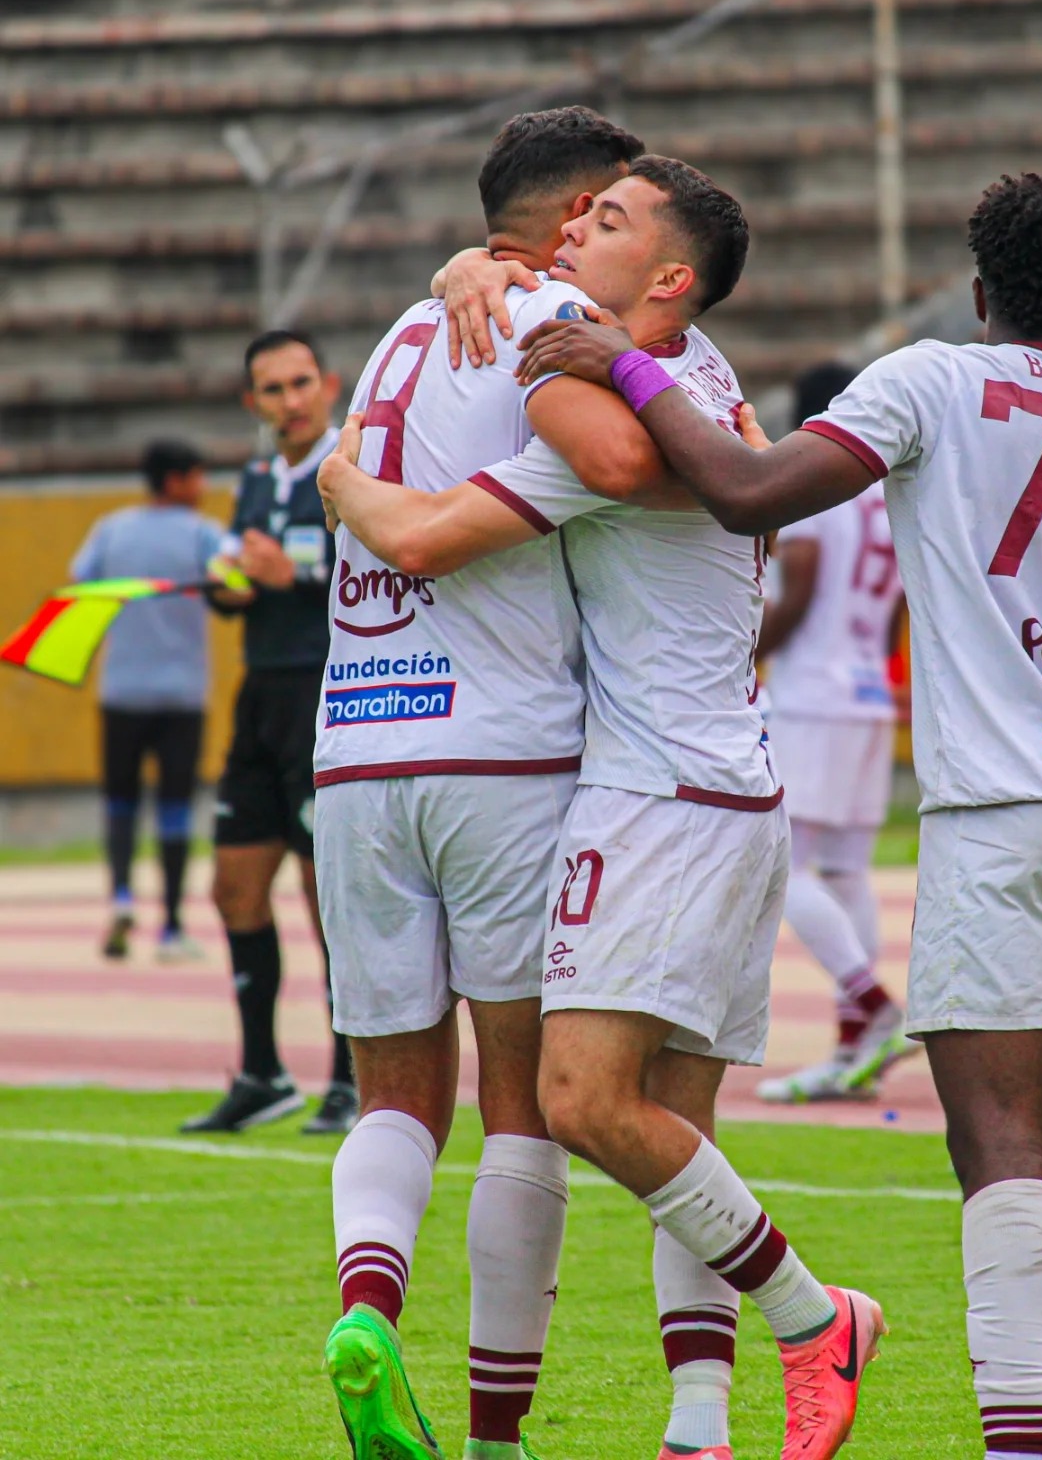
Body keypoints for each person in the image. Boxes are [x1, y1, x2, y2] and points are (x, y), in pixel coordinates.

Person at [513, 172, 1042, 1460]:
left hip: (1001, 813)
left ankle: (1023, 1444)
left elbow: (747, 491)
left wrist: (629, 364)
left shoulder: (930, 378)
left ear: (982, 291)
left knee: (1002, 1139)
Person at [320, 157, 885, 1460]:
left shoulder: (616, 398)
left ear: (668, 278)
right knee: (672, 1131)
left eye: (610, 220)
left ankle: (818, 1318)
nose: (579, 233)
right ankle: (700, 1431)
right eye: (575, 214)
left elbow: (429, 534)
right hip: (719, 780)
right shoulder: (699, 375)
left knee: (576, 1104)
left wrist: (344, 486)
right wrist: (492, 281)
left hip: (660, 792)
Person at [313, 105, 662, 1460]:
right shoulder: (554, 318)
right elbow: (624, 458)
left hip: (359, 752)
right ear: (573, 213)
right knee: (521, 1104)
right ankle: (499, 1439)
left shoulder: (408, 326)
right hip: (501, 753)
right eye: (614, 205)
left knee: (396, 1092)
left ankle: (365, 1306)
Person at [181, 331, 357, 1137]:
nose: (289, 400)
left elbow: (389, 565)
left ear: (326, 384)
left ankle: (352, 1078)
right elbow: (229, 588)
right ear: (252, 402)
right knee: (234, 889)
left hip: (327, 696)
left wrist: (300, 578)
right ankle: (261, 1073)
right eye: (271, 390)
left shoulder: (352, 464)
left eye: (299, 383)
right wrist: (230, 587)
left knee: (330, 899)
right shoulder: (254, 481)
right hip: (260, 697)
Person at [757, 361, 908, 1105]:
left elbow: (804, 587)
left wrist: (746, 648)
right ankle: (855, 1044)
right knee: (845, 870)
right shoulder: (888, 492)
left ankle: (872, 1003)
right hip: (869, 691)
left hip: (814, 694)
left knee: (783, 866)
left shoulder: (820, 479)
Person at [70, 438, 223, 961]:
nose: (202, 488)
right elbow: (232, 582)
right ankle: (172, 928)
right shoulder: (202, 534)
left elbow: (79, 584)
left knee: (120, 801)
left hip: (122, 690)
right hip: (181, 694)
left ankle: (119, 899)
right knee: (176, 808)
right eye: (198, 477)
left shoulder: (111, 529)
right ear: (176, 481)